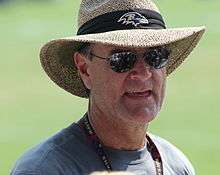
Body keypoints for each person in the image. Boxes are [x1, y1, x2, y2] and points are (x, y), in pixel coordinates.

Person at [11, 0, 206, 175]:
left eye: (155, 56)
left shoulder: (176, 165)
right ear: (85, 69)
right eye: (122, 59)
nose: (143, 73)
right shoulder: (44, 169)